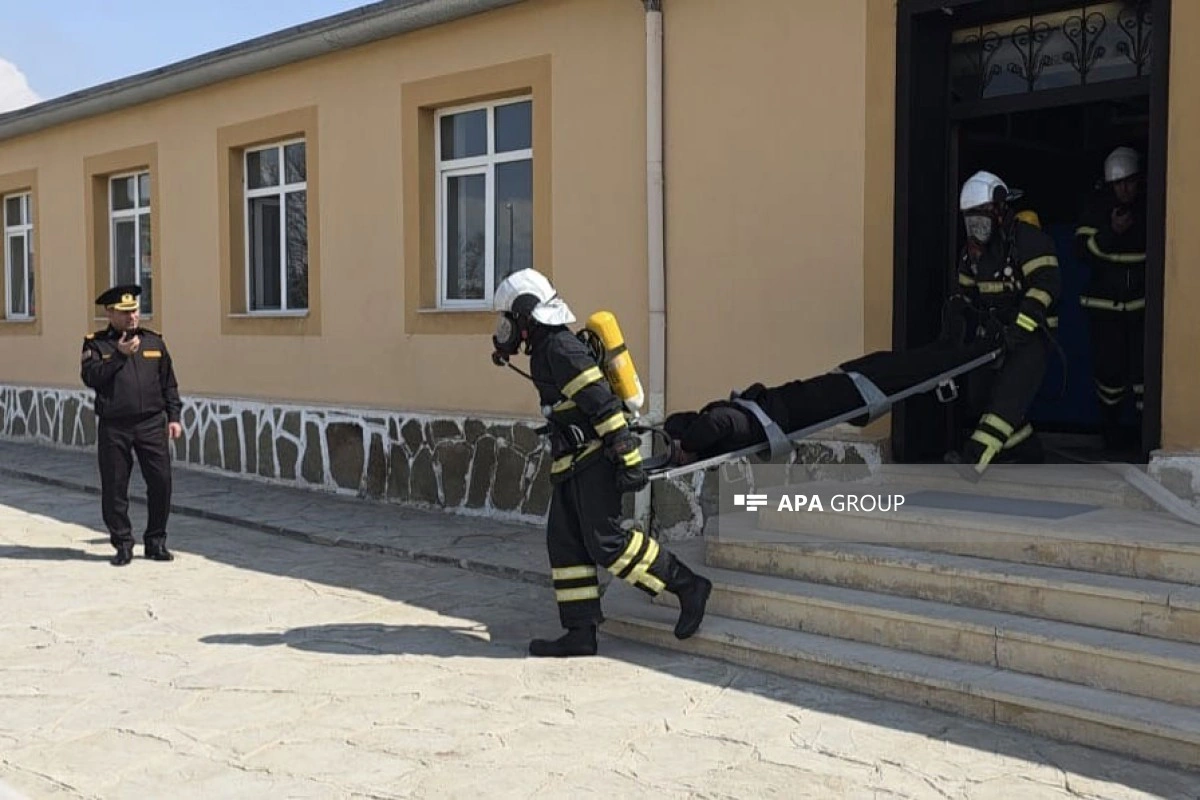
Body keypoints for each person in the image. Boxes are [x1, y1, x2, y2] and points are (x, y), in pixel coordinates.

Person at [490, 268, 712, 657]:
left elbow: (604, 406)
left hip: (595, 459)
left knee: (608, 544)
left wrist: (628, 459)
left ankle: (688, 585)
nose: (504, 327)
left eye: (509, 318)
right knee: (565, 544)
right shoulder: (545, 350)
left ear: (525, 315)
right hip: (571, 463)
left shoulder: (561, 349)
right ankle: (580, 631)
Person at [659, 335, 1002, 466]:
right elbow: (714, 424)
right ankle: (980, 347)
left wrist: (685, 448)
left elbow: (714, 423)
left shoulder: (732, 420)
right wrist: (688, 447)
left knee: (912, 366)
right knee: (914, 370)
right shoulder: (734, 425)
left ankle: (969, 344)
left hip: (840, 388)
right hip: (844, 392)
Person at [943, 170, 1062, 481]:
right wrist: (957, 329)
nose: (976, 228)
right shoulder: (972, 255)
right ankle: (1026, 450)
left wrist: (1021, 328)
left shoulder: (1029, 240)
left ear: (998, 210)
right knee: (980, 396)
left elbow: (1046, 285)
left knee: (1007, 399)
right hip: (997, 334)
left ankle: (973, 462)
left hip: (1033, 334)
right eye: (970, 220)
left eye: (980, 218)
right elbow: (965, 297)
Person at [81, 284, 183, 566]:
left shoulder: (153, 342)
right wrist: (119, 355)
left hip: (151, 423)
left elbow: (169, 383)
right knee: (115, 487)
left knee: (161, 482)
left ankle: (156, 541)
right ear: (110, 313)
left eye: (135, 310)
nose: (132, 317)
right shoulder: (96, 344)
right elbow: (91, 377)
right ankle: (123, 544)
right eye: (125, 312)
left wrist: (174, 416)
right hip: (115, 426)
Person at [1075, 146, 1147, 453]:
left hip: (1142, 309)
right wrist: (1111, 232)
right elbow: (1081, 250)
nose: (1124, 189)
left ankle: (1146, 438)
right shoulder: (1096, 209)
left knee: (1144, 376)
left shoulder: (1150, 206)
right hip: (1104, 309)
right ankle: (1111, 435)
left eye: (1129, 182)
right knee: (1109, 376)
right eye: (1118, 184)